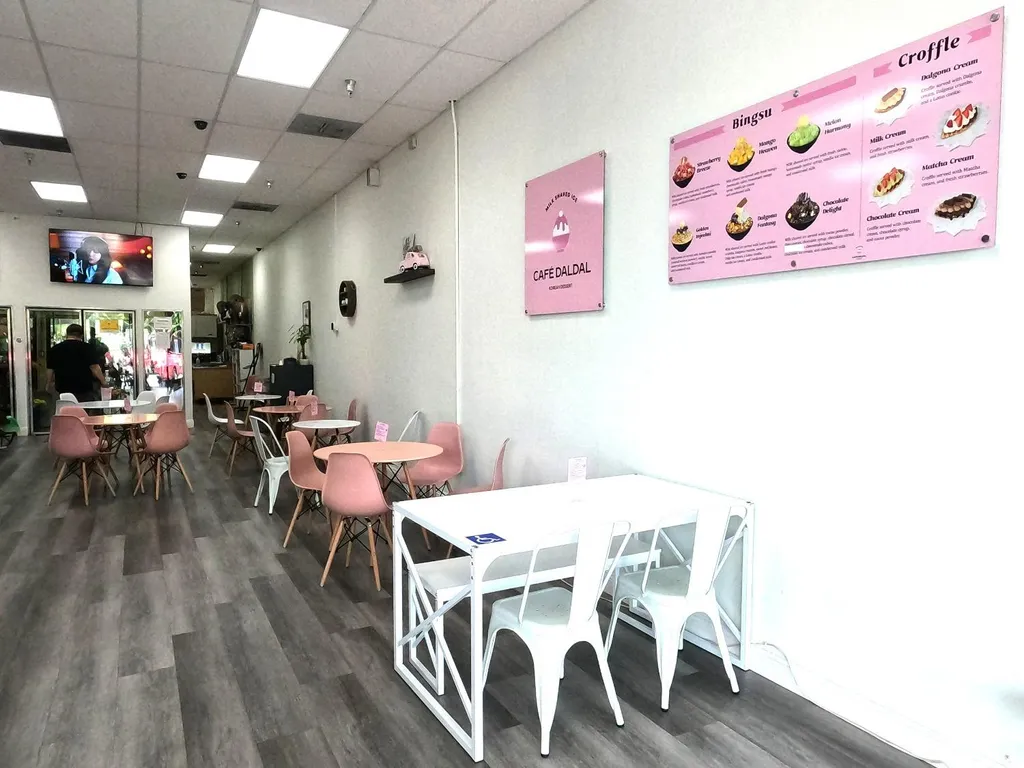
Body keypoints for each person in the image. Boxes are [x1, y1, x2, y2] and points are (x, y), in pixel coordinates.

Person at [46, 324, 106, 403]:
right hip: (83, 389)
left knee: (65, 409)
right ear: (81, 335)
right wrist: (103, 382)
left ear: (67, 334)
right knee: (84, 410)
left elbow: (50, 369)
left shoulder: (55, 349)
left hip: (62, 388)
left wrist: (48, 384)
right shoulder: (87, 348)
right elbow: (94, 367)